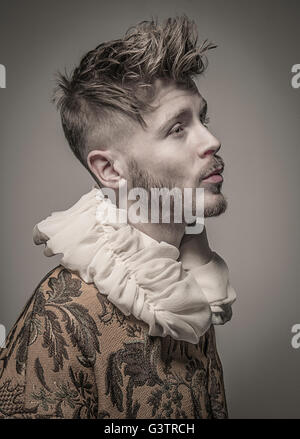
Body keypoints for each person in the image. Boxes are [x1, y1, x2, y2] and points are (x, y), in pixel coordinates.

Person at [0, 15, 236, 419]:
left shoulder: (188, 283)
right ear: (110, 171)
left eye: (202, 118)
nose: (212, 140)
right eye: (177, 128)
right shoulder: (60, 317)